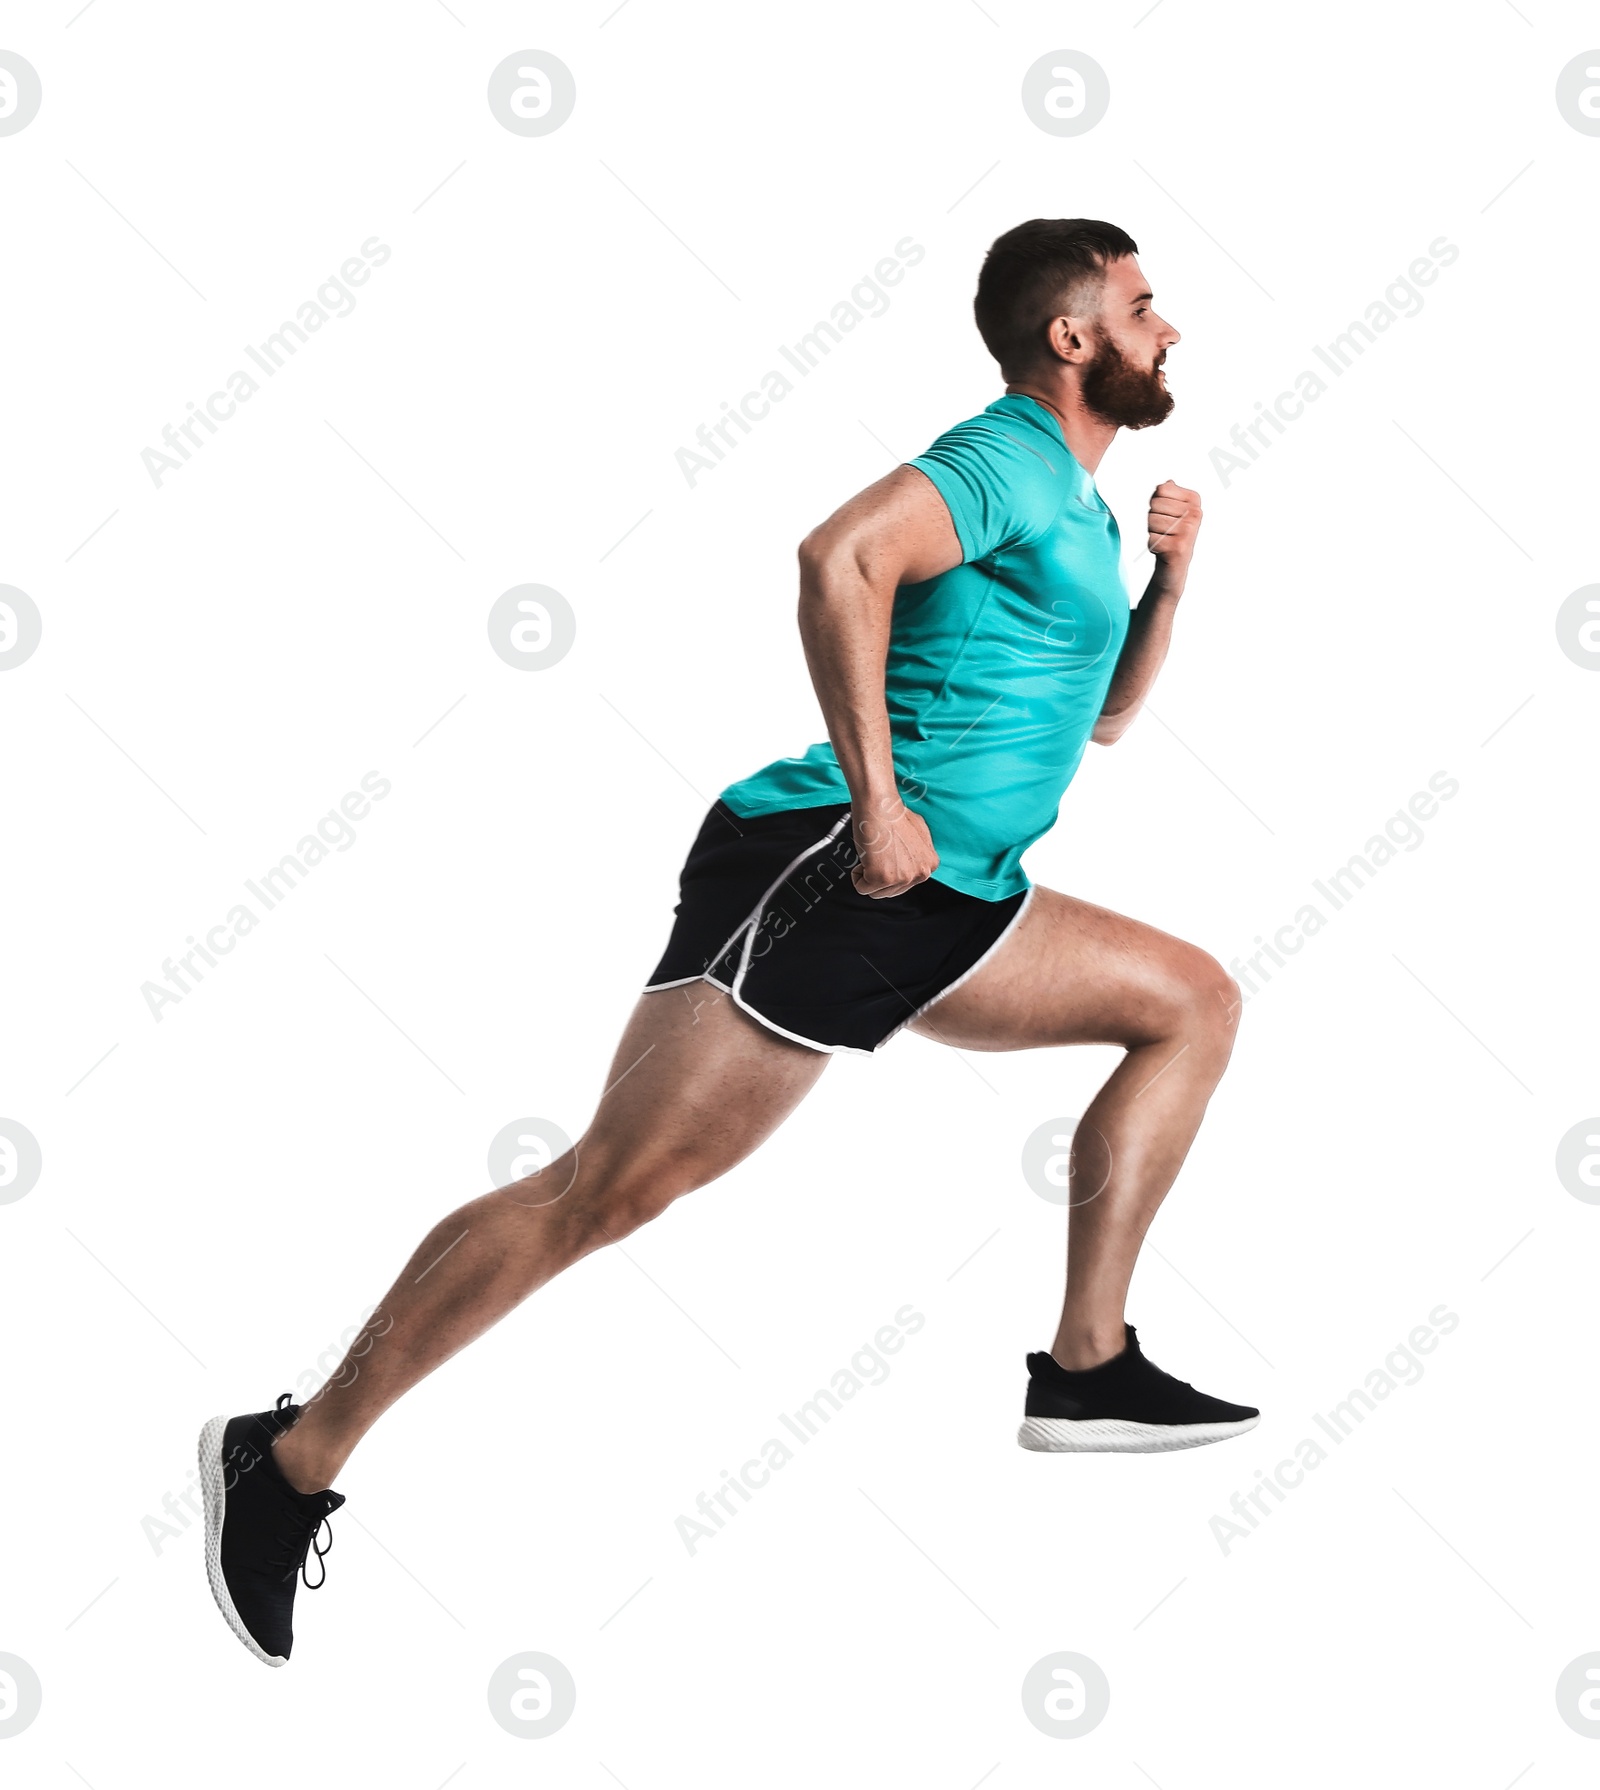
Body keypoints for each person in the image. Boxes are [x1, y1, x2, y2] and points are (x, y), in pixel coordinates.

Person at [200, 217, 1258, 1667]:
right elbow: (838, 559)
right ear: (1071, 337)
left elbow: (1112, 719)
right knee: (608, 1189)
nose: (1170, 329)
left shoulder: (1077, 503)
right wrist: (878, 801)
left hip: (963, 900)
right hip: (843, 868)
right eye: (1145, 305)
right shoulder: (1008, 455)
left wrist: (1170, 584)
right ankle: (293, 1456)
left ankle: (1087, 1364)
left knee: (1192, 1000)